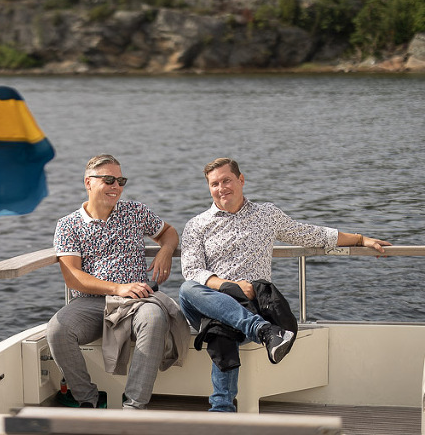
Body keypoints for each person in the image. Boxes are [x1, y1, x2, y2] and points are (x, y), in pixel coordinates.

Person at [179, 157, 391, 412]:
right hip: (209, 303)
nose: (221, 188)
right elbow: (191, 270)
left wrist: (360, 239)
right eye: (215, 184)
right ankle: (265, 332)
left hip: (251, 303)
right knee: (186, 289)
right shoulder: (197, 225)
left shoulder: (266, 214)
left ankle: (222, 411)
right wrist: (229, 286)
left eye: (227, 180)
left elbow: (310, 234)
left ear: (241, 180)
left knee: (221, 328)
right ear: (209, 188)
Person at [47, 154, 182, 409]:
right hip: (91, 303)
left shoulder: (134, 211)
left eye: (121, 180)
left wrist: (165, 251)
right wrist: (117, 287)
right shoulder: (68, 225)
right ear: (88, 182)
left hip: (136, 301)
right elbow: (72, 276)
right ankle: (87, 399)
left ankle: (133, 407)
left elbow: (169, 232)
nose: (116, 186)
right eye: (108, 179)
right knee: (57, 330)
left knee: (154, 319)